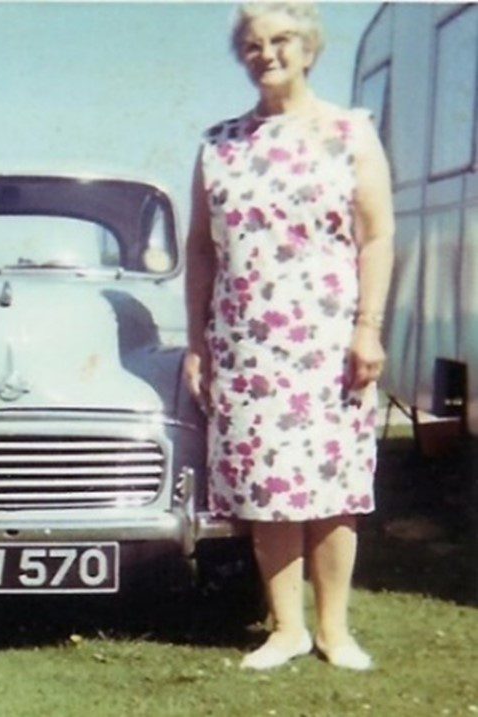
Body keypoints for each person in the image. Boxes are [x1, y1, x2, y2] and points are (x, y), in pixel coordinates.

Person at [184, 3, 394, 671]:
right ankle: (286, 628)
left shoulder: (348, 132)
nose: (265, 53)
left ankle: (335, 629)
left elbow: (378, 234)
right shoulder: (218, 144)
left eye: (280, 41)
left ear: (309, 50)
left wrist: (368, 328)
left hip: (329, 337)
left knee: (333, 486)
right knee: (266, 486)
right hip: (246, 342)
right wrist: (198, 341)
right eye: (252, 44)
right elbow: (200, 250)